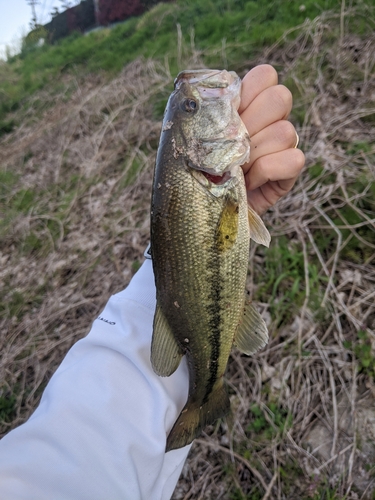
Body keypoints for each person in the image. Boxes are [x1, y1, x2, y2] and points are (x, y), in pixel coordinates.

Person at [0, 65, 304, 499]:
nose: (198, 97)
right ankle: (207, 393)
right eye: (193, 107)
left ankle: (204, 392)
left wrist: (182, 263)